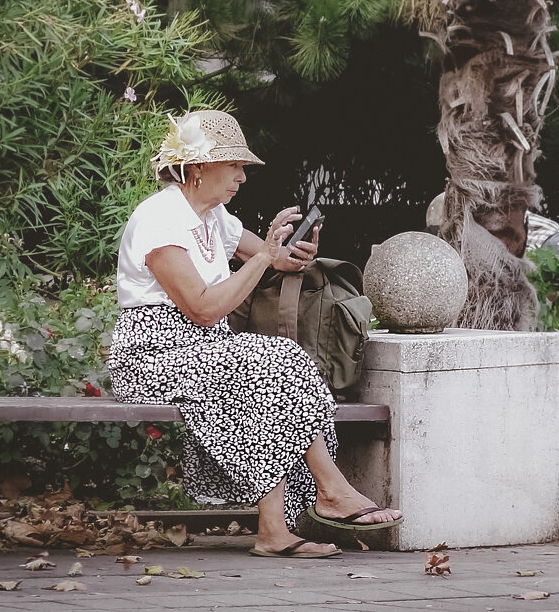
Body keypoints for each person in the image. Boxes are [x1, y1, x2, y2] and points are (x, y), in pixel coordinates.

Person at [109, 110, 402, 558]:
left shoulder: (214, 216)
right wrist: (263, 257)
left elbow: (276, 259)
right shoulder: (159, 219)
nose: (242, 177)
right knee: (270, 364)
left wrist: (294, 251)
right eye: (235, 166)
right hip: (152, 353)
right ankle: (331, 491)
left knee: (281, 363)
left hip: (206, 348)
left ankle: (276, 530)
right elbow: (203, 308)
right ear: (199, 167)